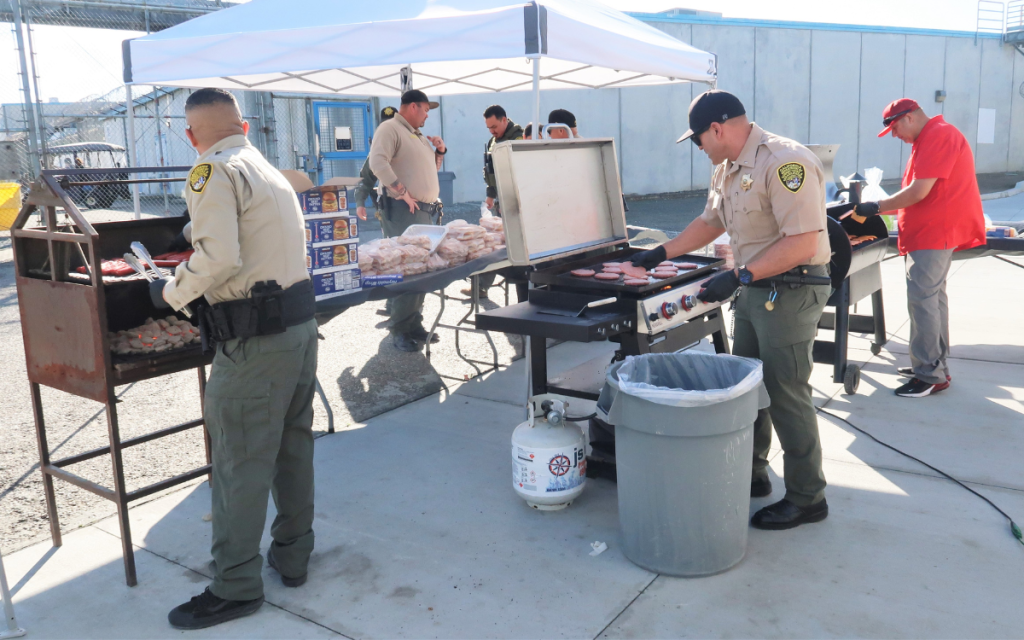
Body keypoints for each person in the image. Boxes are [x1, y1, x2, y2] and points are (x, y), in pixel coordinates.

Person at [630, 90, 832, 530]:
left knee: (785, 392)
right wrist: (661, 252)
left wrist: (739, 276)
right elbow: (710, 222)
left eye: (698, 139)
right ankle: (753, 473)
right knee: (747, 386)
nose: (698, 148)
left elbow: (803, 242)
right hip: (758, 288)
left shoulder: (784, 161)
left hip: (792, 290)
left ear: (717, 129)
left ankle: (807, 496)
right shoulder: (726, 168)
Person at [154, 88, 318, 629]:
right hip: (297, 328)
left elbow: (219, 257)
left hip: (255, 342)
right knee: (292, 447)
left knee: (238, 465)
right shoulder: (268, 169)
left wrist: (172, 292)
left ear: (191, 135)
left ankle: (236, 586)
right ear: (243, 126)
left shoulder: (210, 171)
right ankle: (293, 557)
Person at [850, 98, 985, 397]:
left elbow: (918, 191)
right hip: (931, 233)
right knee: (933, 301)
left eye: (895, 129)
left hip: (935, 234)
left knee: (923, 301)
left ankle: (930, 375)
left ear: (909, 117)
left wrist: (875, 207)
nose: (896, 136)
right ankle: (934, 365)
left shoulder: (939, 135)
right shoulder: (929, 137)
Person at [368, 89, 447, 352]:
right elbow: (377, 163)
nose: (426, 115)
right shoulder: (390, 128)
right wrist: (401, 192)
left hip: (422, 210)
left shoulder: (416, 134)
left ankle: (413, 323)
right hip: (404, 210)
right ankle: (400, 328)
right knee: (407, 270)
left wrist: (440, 151)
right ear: (413, 107)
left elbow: (429, 170)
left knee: (421, 269)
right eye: (425, 109)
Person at [466, 105, 523, 298]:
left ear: (505, 120)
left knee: (515, 246)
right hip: (502, 200)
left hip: (518, 202)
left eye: (494, 126)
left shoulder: (518, 138)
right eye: (488, 127)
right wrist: (490, 195)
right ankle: (481, 286)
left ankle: (523, 294)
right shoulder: (493, 141)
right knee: (493, 241)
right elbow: (490, 171)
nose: (492, 131)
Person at [354, 105, 397, 223]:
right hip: (391, 209)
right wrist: (360, 202)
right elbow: (365, 179)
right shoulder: (378, 151)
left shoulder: (410, 143)